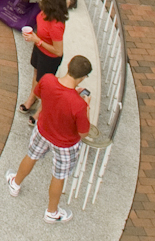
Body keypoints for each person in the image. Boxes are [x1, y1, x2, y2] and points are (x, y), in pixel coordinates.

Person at [6, 53, 94, 223]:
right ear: (82, 78)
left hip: (43, 130)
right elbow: (84, 132)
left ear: (68, 65)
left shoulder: (47, 80)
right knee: (58, 176)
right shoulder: (79, 104)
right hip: (65, 144)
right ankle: (52, 212)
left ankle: (15, 183)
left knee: (31, 155)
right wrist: (87, 107)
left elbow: (41, 94)